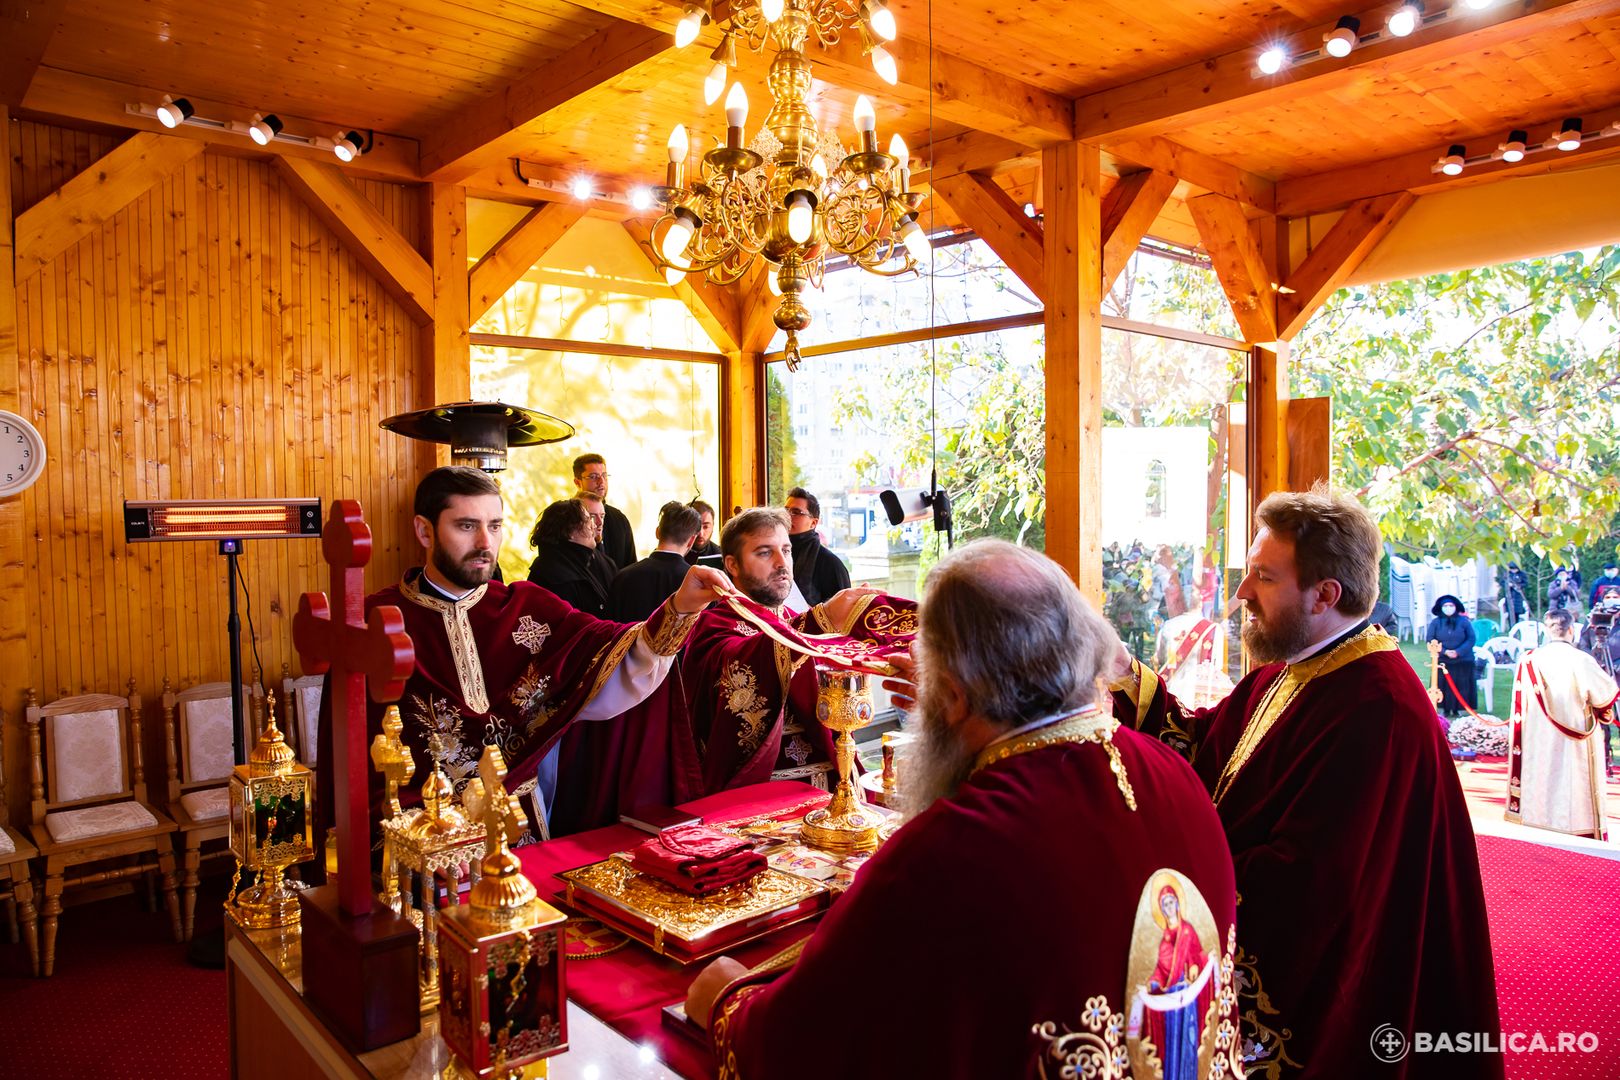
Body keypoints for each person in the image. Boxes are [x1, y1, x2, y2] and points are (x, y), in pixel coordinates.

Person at [686, 540, 1240, 1078]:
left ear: (950, 695)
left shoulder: (955, 846)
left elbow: (799, 1046)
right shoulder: (1177, 777)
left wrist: (726, 1003)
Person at [1109, 485, 1501, 1079]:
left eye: (1262, 577)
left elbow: (1313, 886)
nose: (1241, 593)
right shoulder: (1300, 668)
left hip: (1340, 998)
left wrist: (1162, 870)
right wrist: (1120, 674)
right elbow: (1203, 749)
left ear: (1325, 595)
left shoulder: (1379, 707)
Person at [315, 467, 728, 844]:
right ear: (424, 532)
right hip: (419, 842)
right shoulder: (376, 623)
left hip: (520, 833)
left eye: (494, 526)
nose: (485, 543)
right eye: (466, 526)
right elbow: (348, 760)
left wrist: (681, 607)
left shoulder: (526, 609)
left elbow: (615, 656)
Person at [682, 507, 871, 791]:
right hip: (759, 794)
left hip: (829, 784)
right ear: (732, 565)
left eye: (787, 550)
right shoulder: (713, 626)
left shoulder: (797, 619)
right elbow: (741, 665)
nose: (782, 562)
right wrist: (820, 622)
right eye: (764, 552)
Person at [1507, 608, 1617, 839]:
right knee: (1570, 779)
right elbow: (1605, 699)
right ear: (1570, 630)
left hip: (1535, 733)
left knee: (1541, 772)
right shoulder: (1581, 660)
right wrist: (1605, 716)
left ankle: (1536, 818)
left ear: (1548, 630)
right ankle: (1575, 826)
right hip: (1574, 735)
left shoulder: (1527, 660)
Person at [609, 501, 702, 622]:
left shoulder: (623, 577)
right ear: (691, 541)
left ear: (657, 532)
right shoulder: (698, 584)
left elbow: (610, 630)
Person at [525, 498, 609, 619]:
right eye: (587, 520)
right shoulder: (557, 580)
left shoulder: (577, 564)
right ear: (569, 532)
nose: (594, 525)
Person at [784, 487, 851, 606]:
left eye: (796, 512)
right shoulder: (774, 554)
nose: (787, 516)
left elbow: (842, 612)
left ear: (813, 523)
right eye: (785, 510)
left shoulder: (831, 564)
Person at [572, 453, 636, 570]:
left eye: (604, 476)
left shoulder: (619, 519)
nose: (601, 482)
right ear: (577, 482)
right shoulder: (566, 516)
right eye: (593, 476)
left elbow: (631, 567)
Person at [1427, 594, 1477, 718]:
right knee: (1443, 685)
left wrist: (1458, 651)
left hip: (1462, 660)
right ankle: (1444, 708)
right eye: (1445, 606)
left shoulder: (1464, 622)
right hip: (1443, 660)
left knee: (1461, 684)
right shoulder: (1435, 623)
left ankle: (1460, 708)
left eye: (1451, 606)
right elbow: (1430, 639)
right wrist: (1444, 651)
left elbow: (1471, 638)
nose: (1448, 608)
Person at [684, 498, 722, 565]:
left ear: (713, 526)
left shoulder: (721, 555)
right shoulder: (677, 555)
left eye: (706, 527)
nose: (700, 534)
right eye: (695, 526)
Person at [1503, 562, 1529, 626]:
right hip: (1509, 596)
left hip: (1518, 596)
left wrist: (1516, 585)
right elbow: (1502, 582)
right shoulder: (1507, 574)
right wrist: (1507, 585)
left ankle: (1516, 626)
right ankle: (1511, 627)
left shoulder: (1522, 574)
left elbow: (1525, 583)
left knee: (1517, 612)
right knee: (1510, 612)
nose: (1513, 571)